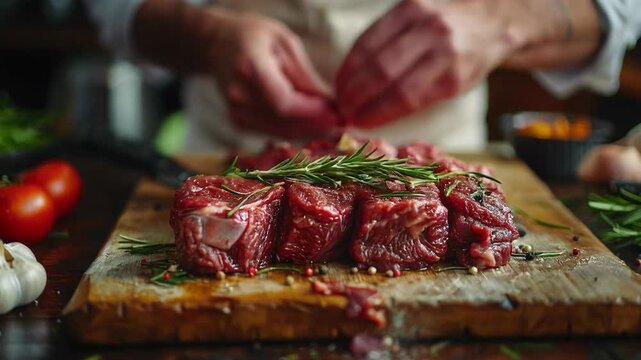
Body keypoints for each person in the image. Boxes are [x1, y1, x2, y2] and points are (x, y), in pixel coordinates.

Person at [85, 0, 641, 157]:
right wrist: (205, 37)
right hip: (233, 164)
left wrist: (504, 22)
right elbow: (113, 10)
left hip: (442, 170)